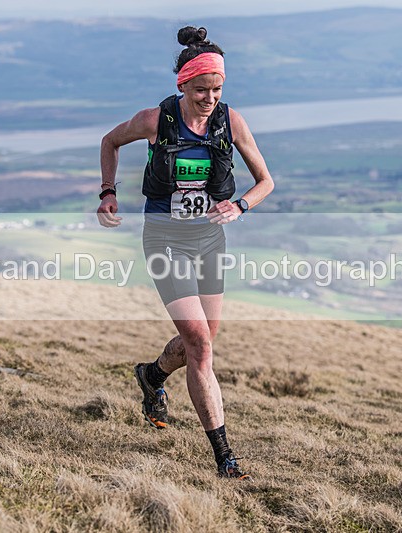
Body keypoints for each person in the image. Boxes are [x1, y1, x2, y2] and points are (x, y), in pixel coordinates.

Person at [97, 26, 274, 479]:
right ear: (182, 85)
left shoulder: (231, 121)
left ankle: (153, 375)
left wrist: (240, 206)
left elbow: (265, 182)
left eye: (217, 89)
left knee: (206, 339)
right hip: (164, 238)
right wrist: (108, 192)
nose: (210, 97)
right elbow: (110, 141)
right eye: (201, 89)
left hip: (209, 239)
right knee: (199, 344)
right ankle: (224, 457)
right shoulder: (156, 120)